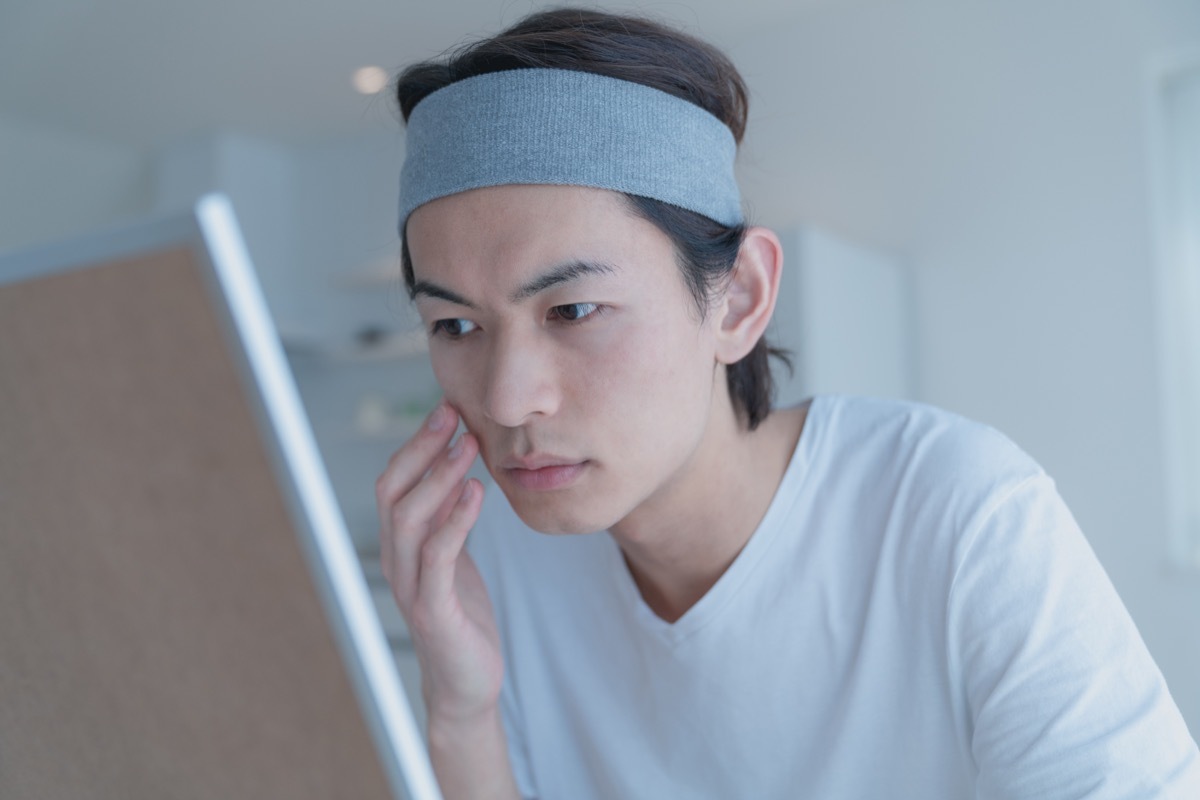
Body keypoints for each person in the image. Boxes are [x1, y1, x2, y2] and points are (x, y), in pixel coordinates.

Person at [374, 8, 1200, 799]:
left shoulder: (955, 513)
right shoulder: (496, 560)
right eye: (455, 324)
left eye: (574, 310)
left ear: (737, 299)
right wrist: (460, 710)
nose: (509, 399)